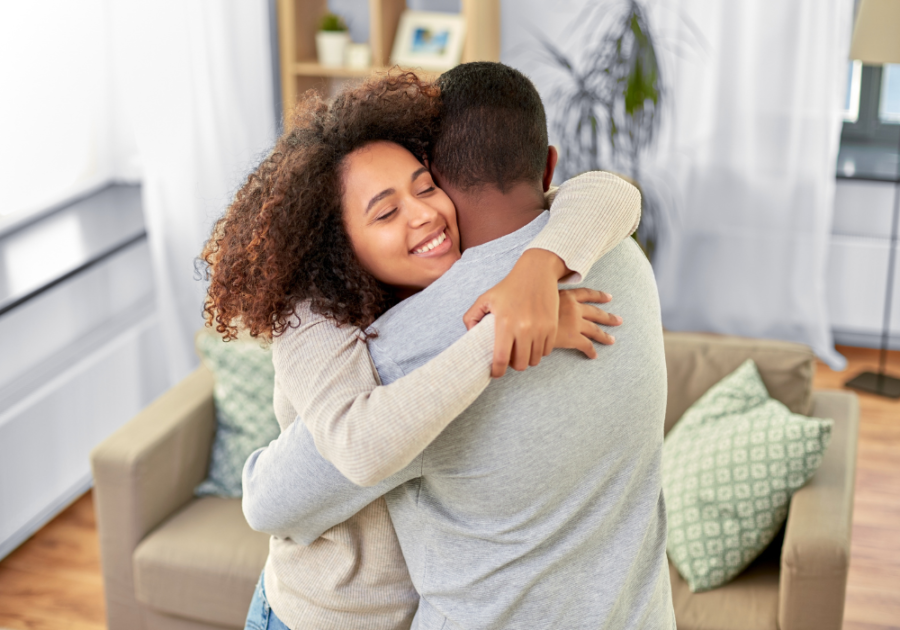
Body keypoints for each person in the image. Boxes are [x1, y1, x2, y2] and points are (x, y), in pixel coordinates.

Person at [201, 70, 641, 630]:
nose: (425, 214)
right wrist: (506, 329)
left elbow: (606, 193)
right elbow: (360, 448)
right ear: (338, 241)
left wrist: (540, 265)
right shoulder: (313, 319)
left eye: (426, 186)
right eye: (386, 212)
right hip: (318, 618)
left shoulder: (441, 272)